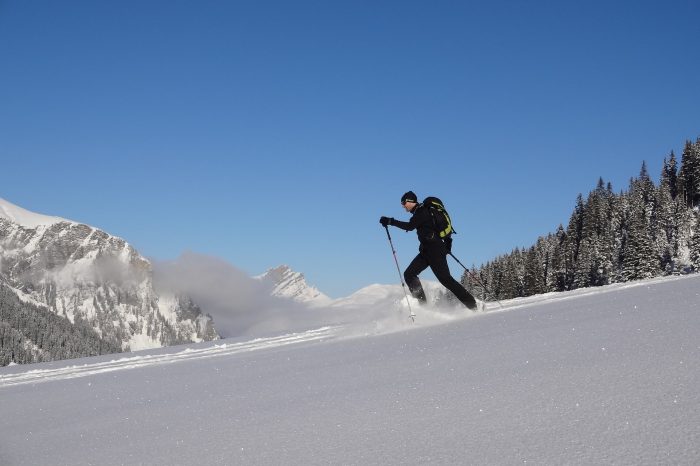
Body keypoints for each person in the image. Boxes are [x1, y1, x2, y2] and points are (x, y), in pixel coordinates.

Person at [380, 191, 478, 310]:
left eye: (404, 202)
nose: (403, 205)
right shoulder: (420, 212)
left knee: (446, 279)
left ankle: (473, 305)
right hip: (426, 251)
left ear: (411, 201)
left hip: (435, 251)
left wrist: (391, 221)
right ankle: (423, 306)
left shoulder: (422, 212)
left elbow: (410, 226)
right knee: (409, 274)